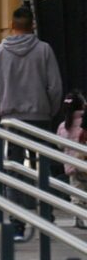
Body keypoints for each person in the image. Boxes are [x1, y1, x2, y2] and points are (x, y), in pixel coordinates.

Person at [0, 6, 63, 237]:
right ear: (32, 26)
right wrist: (49, 110)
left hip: (11, 119)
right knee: (45, 167)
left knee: (14, 167)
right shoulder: (44, 50)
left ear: (12, 26)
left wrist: (1, 110)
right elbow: (55, 86)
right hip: (40, 117)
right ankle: (46, 216)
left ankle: (17, 221)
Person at [57, 91, 87, 229]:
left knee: (76, 194)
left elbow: (59, 144)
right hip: (84, 161)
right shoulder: (84, 123)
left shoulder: (63, 125)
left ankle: (78, 218)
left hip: (72, 166)